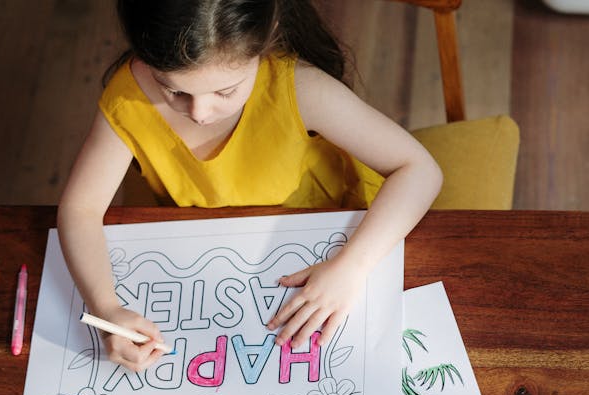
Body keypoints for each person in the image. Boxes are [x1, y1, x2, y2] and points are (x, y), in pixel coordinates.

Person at [57, 0, 442, 372]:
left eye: (224, 92)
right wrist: (106, 308)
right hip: (222, 254)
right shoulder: (127, 98)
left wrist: (351, 267)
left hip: (337, 236)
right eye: (174, 90)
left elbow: (420, 169)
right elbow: (80, 209)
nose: (200, 113)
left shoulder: (300, 88)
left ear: (266, 39)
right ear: (145, 53)